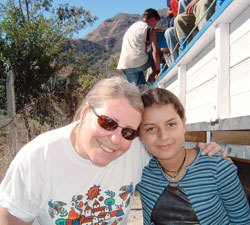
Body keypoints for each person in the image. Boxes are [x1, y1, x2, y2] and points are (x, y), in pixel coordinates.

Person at [0, 76, 226, 225]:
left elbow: (168, 147)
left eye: (128, 131)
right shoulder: (40, 157)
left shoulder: (136, 150)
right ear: (85, 113)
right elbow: (11, 219)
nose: (115, 138)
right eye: (108, 122)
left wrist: (206, 151)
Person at [137, 87, 250, 224]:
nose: (163, 136)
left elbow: (242, 221)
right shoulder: (141, 173)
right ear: (139, 135)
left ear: (183, 125)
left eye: (171, 124)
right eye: (151, 129)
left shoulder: (217, 168)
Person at [117, 8, 161, 89]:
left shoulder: (134, 26)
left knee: (139, 92)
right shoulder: (149, 29)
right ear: (153, 19)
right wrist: (158, 71)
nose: (155, 26)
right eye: (156, 22)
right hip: (139, 63)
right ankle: (152, 77)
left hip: (125, 65)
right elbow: (155, 52)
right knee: (159, 52)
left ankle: (146, 87)